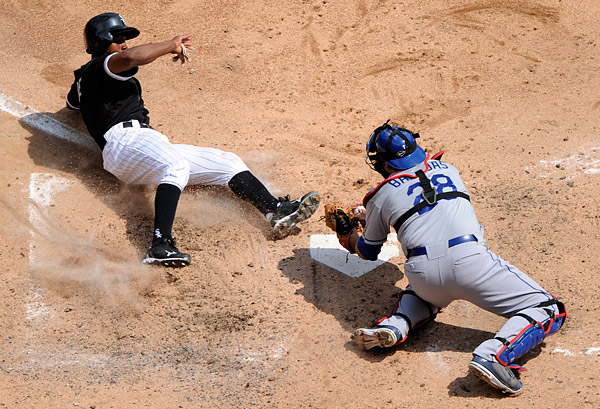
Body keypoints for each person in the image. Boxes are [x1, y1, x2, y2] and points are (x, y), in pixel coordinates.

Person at [66, 13, 320, 267]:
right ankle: (160, 245)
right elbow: (132, 58)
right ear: (100, 43)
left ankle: (276, 211)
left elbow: (72, 104)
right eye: (117, 39)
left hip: (136, 149)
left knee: (228, 163)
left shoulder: (84, 79)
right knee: (176, 166)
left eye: (125, 39)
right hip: (125, 141)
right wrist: (170, 45)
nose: (124, 44)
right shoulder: (103, 65)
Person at [343, 120, 566, 396]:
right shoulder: (449, 169)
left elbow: (367, 250)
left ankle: (396, 324)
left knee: (423, 293)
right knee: (549, 308)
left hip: (423, 276)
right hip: (471, 265)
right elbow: (430, 204)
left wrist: (352, 233)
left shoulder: (381, 195)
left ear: (386, 165)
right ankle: (493, 356)